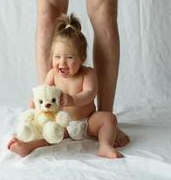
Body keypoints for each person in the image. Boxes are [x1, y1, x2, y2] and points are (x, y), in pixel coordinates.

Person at [8, 14, 128, 158]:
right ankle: (27, 146)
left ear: (82, 58)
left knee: (109, 119)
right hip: (63, 124)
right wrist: (37, 102)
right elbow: (44, 93)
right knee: (48, 130)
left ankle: (105, 146)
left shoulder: (87, 73)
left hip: (88, 122)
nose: (62, 63)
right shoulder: (52, 74)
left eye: (69, 57)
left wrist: (73, 100)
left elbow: (90, 93)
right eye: (57, 57)